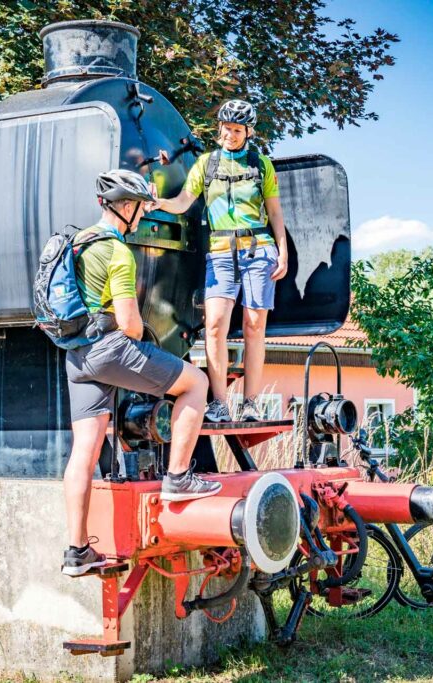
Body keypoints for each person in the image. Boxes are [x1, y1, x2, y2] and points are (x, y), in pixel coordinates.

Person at [62, 169, 222, 577]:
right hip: (109, 350)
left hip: (75, 356)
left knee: (85, 451)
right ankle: (179, 477)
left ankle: (77, 551)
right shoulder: (118, 252)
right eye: (139, 208)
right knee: (196, 383)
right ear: (128, 207)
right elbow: (130, 325)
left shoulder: (77, 242)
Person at [152, 99, 288, 423]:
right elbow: (184, 201)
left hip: (258, 249)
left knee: (254, 326)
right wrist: (157, 202)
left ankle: (252, 403)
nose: (230, 134)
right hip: (221, 252)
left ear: (248, 132)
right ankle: (220, 403)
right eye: (226, 128)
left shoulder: (261, 165)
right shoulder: (206, 164)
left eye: (237, 130)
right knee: (214, 326)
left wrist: (282, 251)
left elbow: (275, 212)